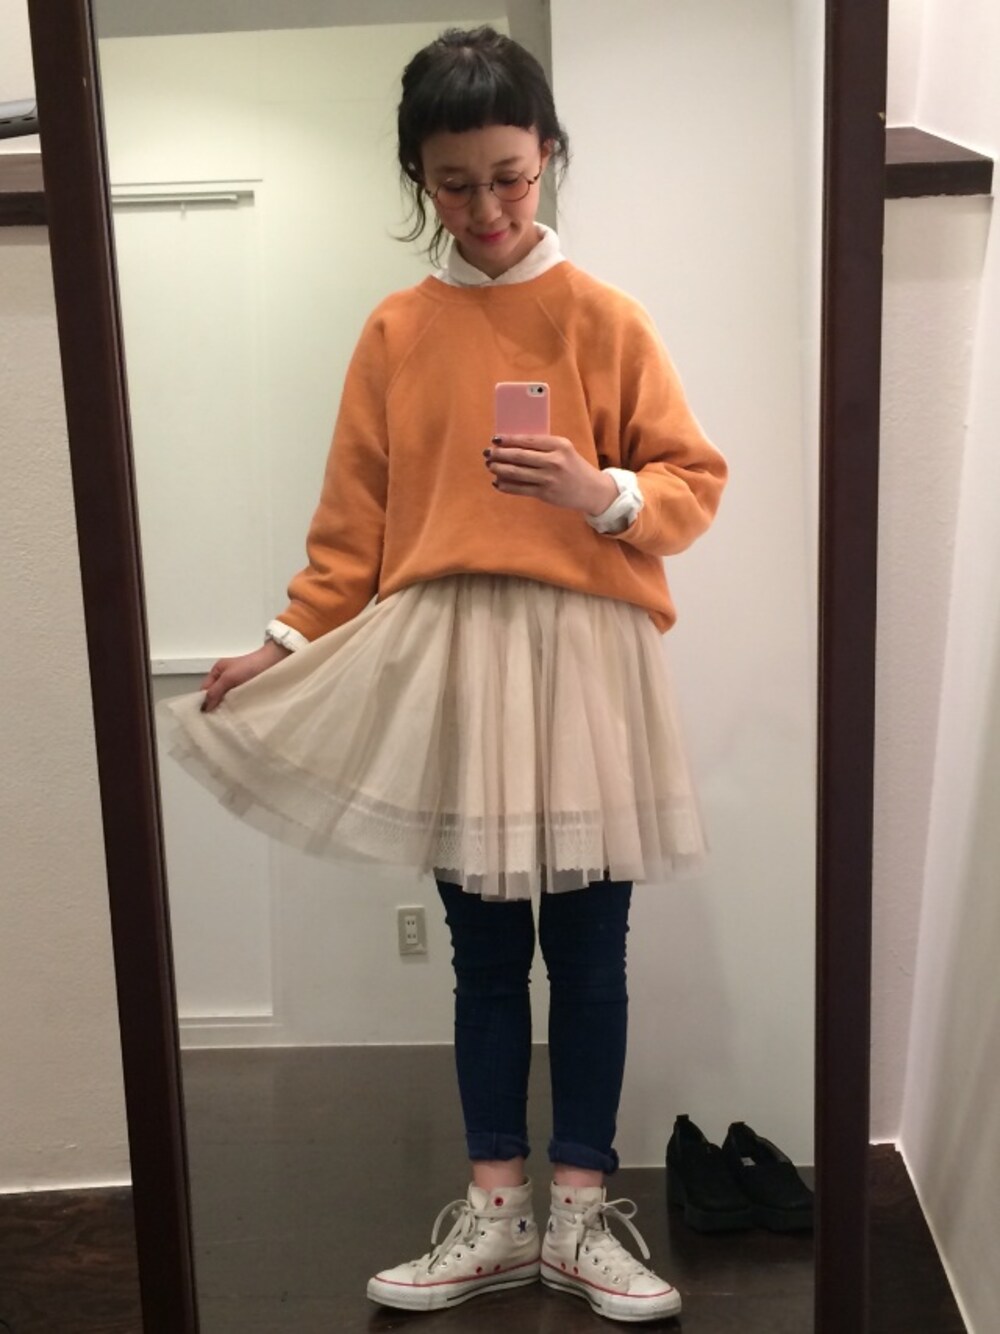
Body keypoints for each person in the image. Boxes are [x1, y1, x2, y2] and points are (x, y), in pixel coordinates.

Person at [164, 24, 727, 1324]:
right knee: (482, 961)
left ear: (550, 157)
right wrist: (286, 643)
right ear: (418, 176)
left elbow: (693, 482)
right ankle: (496, 1214)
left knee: (591, 957)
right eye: (455, 182)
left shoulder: (606, 317)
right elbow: (353, 525)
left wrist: (598, 490)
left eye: (510, 177)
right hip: (450, 665)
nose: (485, 209)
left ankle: (579, 1213)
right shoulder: (398, 329)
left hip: (584, 661)